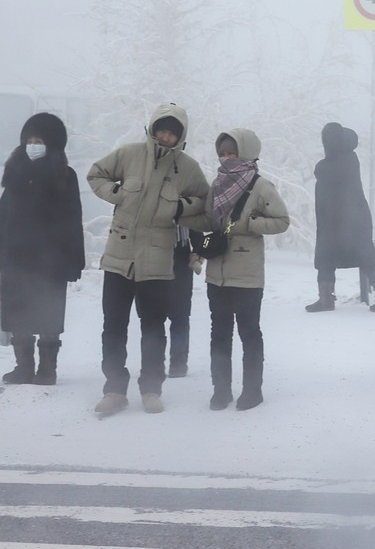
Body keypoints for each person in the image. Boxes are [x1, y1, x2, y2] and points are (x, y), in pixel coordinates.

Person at [87, 104, 210, 415]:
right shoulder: (128, 154)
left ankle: (151, 389)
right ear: (153, 128)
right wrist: (118, 194)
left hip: (157, 263)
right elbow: (95, 174)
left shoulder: (188, 167)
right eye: (161, 129)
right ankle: (114, 389)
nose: (165, 136)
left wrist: (180, 209)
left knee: (153, 328)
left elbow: (205, 206)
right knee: (113, 327)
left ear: (180, 137)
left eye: (172, 132)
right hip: (118, 258)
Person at [191, 129, 290, 411]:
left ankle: (252, 390)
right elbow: (210, 219)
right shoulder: (217, 184)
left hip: (247, 274)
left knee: (249, 332)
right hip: (217, 272)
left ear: (245, 153)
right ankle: (220, 390)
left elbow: (282, 221)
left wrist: (251, 224)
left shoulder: (261, 186)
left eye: (232, 153)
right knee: (219, 333)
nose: (226, 158)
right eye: (222, 153)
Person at [0, 112, 85, 386]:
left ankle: (48, 370)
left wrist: (74, 259)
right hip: (16, 256)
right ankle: (23, 367)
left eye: (39, 140)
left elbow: (72, 217)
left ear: (52, 143)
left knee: (49, 314)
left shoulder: (65, 176)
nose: (32, 145)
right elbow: (3, 215)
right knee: (18, 313)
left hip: (51, 259)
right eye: (28, 140)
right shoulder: (15, 170)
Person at [308, 122, 375, 313]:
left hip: (350, 221)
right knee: (327, 258)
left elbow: (327, 173)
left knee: (363, 257)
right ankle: (326, 298)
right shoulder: (343, 161)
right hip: (337, 221)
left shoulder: (344, 161)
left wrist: (320, 167)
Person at [166, 226, 203, 377]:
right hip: (152, 261)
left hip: (181, 262)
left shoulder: (187, 207)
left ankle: (178, 363)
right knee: (152, 318)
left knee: (180, 317)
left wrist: (198, 255)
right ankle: (153, 362)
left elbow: (202, 241)